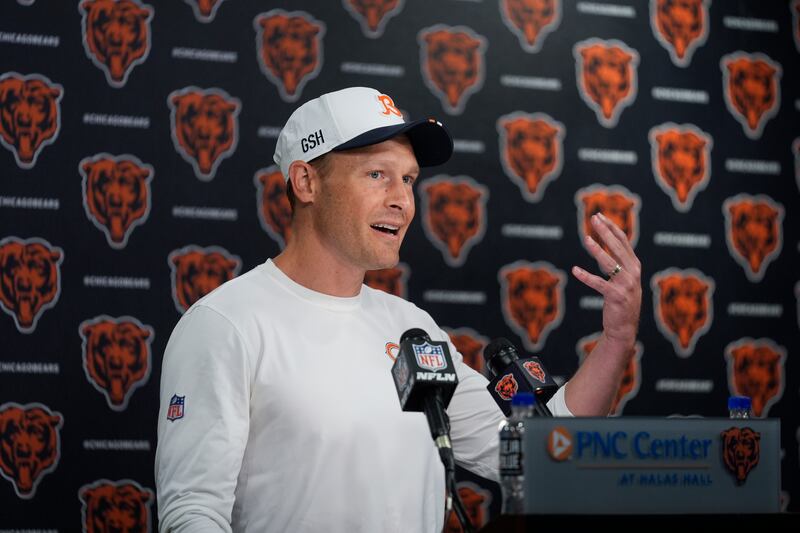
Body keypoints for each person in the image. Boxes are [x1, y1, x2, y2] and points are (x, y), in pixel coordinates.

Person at [155, 86, 642, 532]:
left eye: (408, 180)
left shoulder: (410, 328)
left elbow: (533, 453)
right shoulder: (226, 324)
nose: (403, 202)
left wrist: (616, 340)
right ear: (305, 182)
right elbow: (193, 512)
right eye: (376, 175)